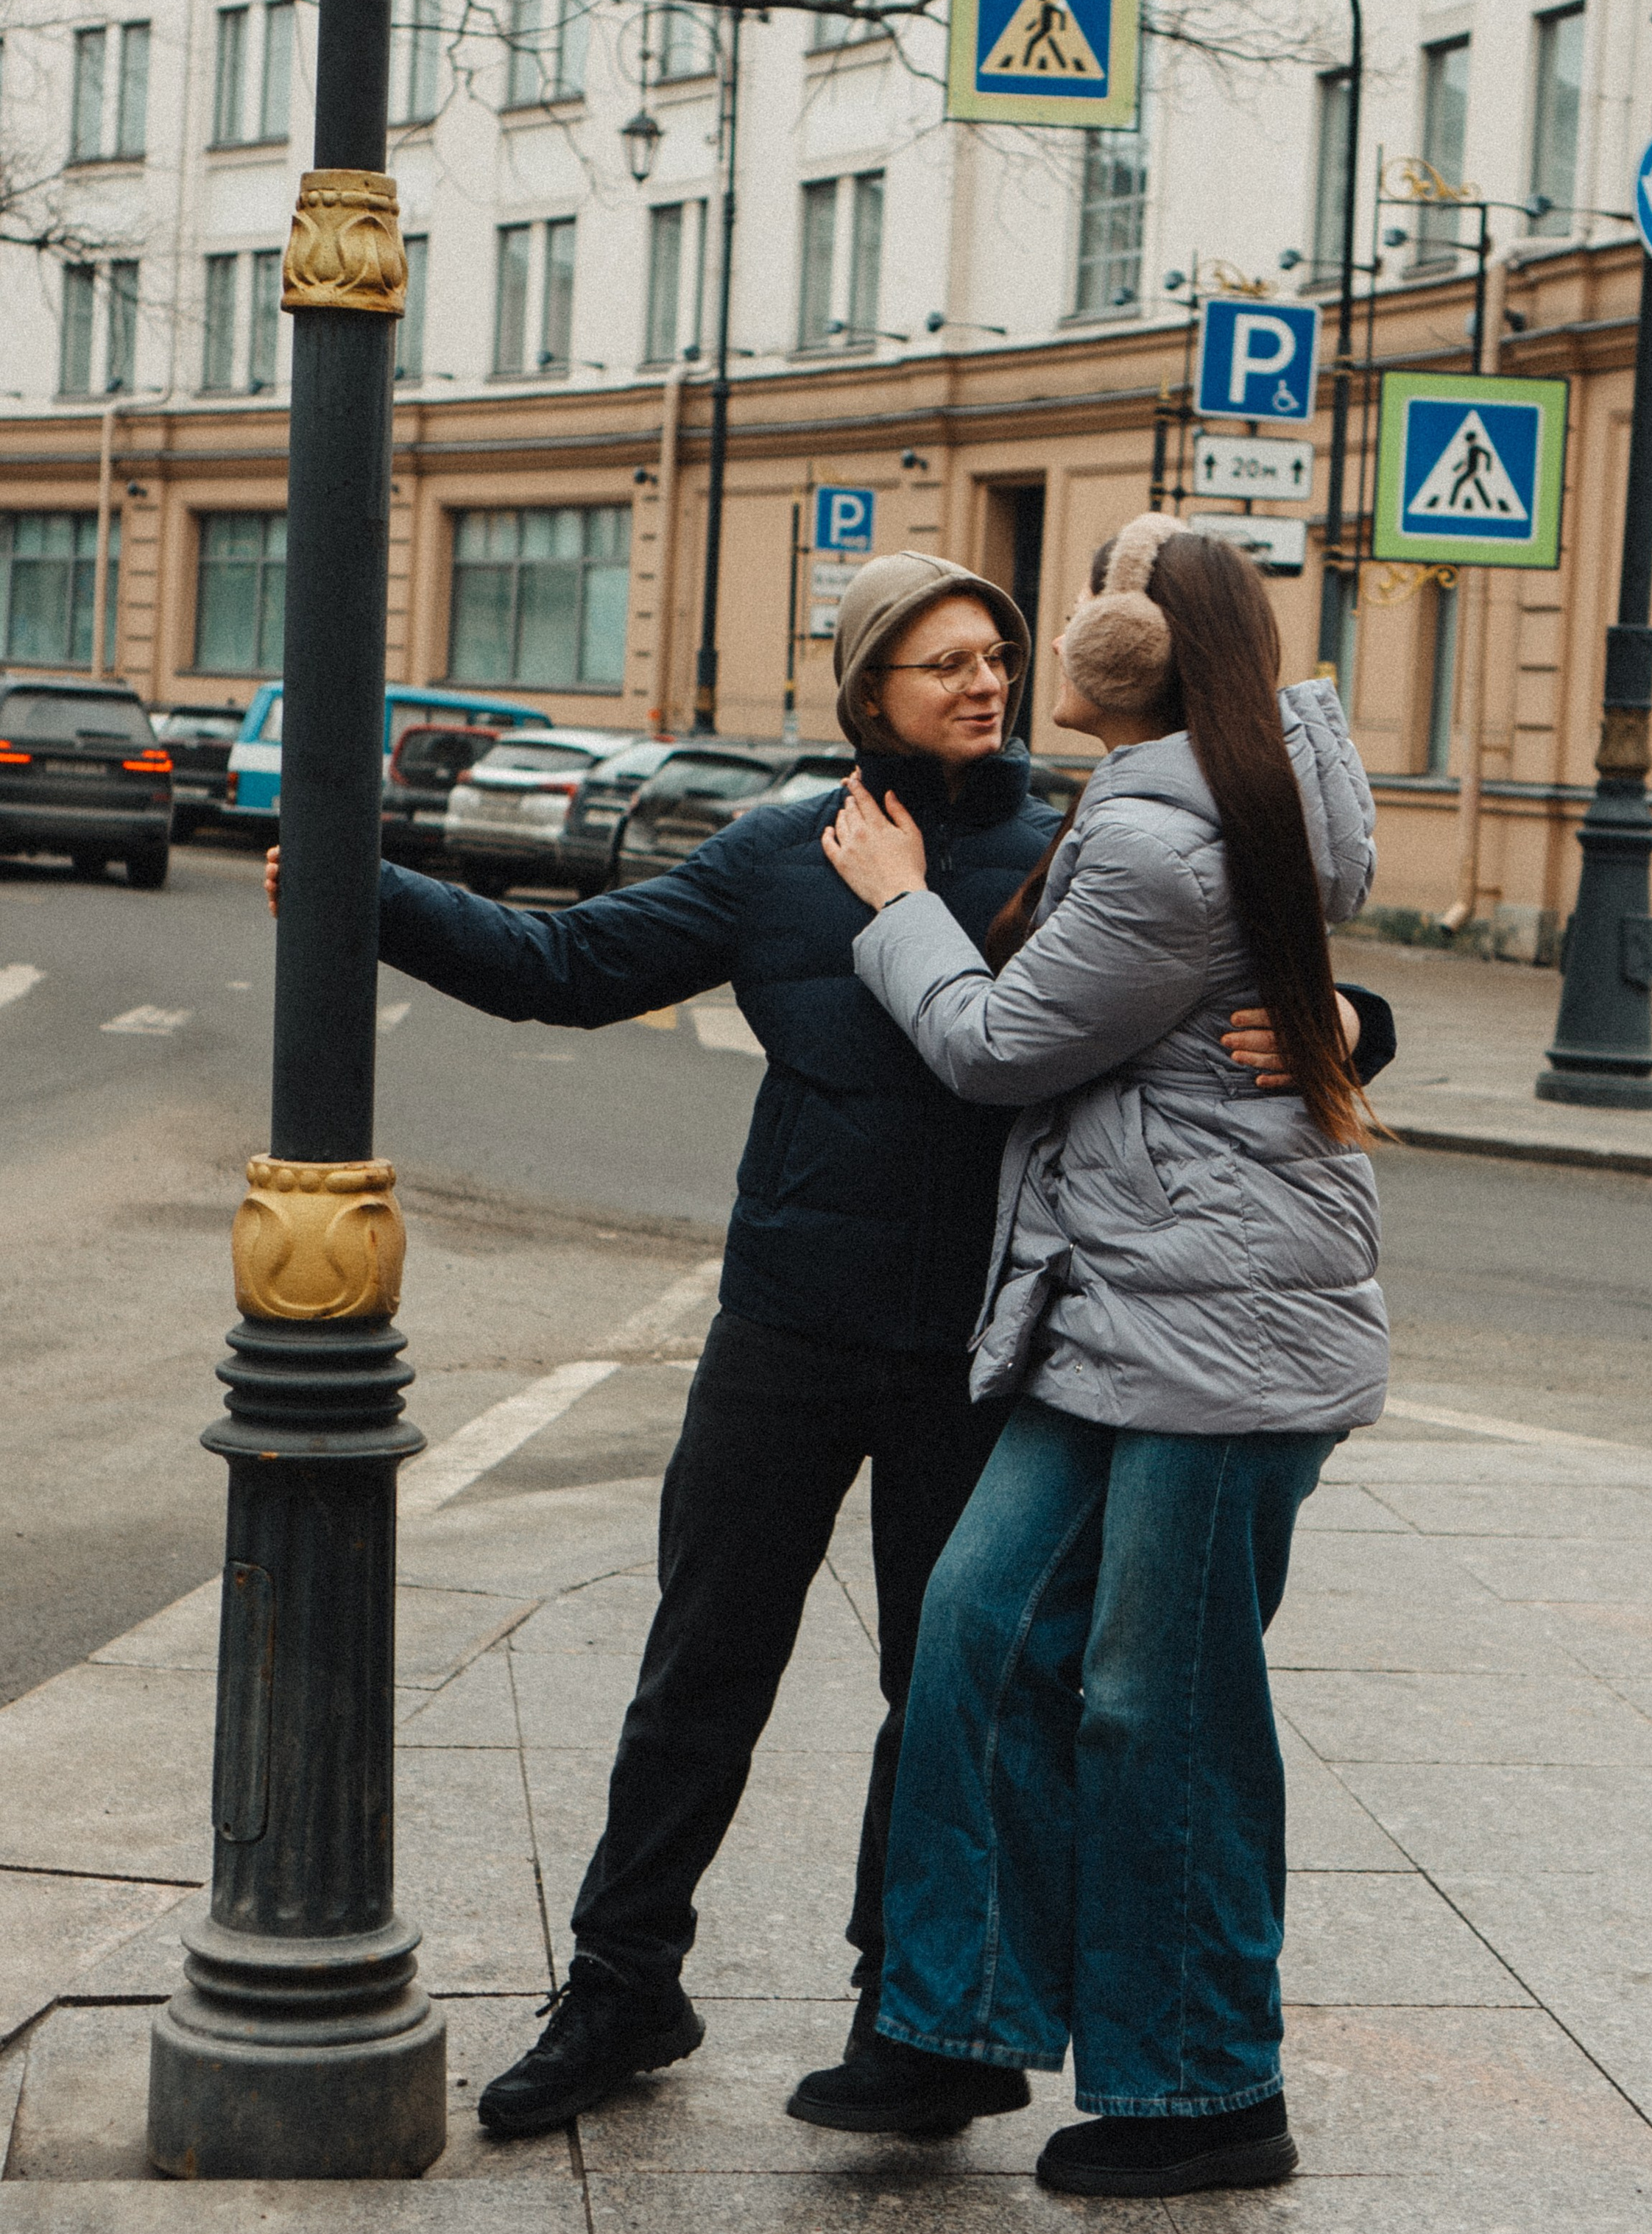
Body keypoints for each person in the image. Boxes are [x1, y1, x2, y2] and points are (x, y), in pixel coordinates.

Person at [263, 549, 1395, 2142]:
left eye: (997, 654)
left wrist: (1354, 1022)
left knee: (936, 1685)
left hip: (983, 1348)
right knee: (697, 1672)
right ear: (866, 693)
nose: (984, 683)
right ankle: (620, 1984)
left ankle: (910, 2016)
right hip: (787, 1326)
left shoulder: (1071, 837)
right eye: (941, 663)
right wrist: (361, 891)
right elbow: (568, 971)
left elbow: (1213, 963)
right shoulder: (784, 854)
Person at [788, 514, 1390, 2199]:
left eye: (1102, 594)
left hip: (1220, 1331)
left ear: (1147, 648)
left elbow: (994, 1046)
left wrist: (899, 905)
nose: (1064, 631)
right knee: (981, 1627)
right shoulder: (1217, 789)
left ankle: (1209, 2087)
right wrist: (1345, 1018)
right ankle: (953, 2020)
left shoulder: (1151, 832)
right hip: (1115, 1311)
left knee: (1160, 1704)